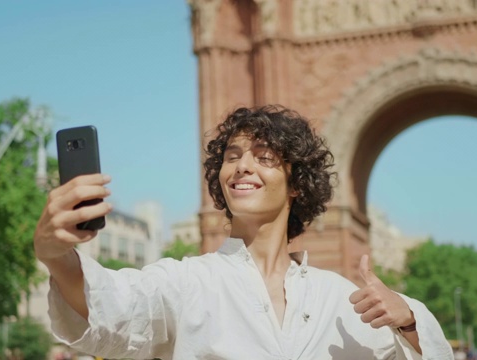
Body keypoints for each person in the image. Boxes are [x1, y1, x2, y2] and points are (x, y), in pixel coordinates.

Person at [34, 105, 454, 359]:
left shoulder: (344, 301)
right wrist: (56, 255)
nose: (243, 166)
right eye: (232, 156)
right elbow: (110, 305)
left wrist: (409, 321)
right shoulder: (187, 282)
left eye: (265, 157)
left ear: (296, 184)